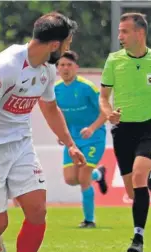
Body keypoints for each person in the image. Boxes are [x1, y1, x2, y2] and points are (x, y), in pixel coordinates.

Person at [0, 12, 81, 252]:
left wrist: (70, 144)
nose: (68, 49)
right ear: (55, 44)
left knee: (37, 211)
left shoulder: (47, 71)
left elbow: (50, 109)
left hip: (21, 145)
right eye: (67, 43)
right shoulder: (6, 65)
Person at [99, 12, 151, 252]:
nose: (120, 36)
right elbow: (103, 97)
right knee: (131, 191)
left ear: (140, 33)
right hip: (123, 129)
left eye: (125, 31)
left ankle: (138, 238)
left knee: (138, 177)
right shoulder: (114, 61)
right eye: (119, 32)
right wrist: (108, 114)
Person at [55, 50, 109, 228]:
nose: (65, 68)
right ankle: (98, 174)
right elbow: (57, 115)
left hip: (94, 137)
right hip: (72, 141)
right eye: (62, 65)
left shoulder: (87, 87)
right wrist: (61, 134)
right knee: (71, 179)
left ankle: (89, 220)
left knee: (84, 177)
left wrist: (92, 128)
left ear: (76, 67)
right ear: (57, 68)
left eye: (69, 65)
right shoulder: (56, 89)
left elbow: (106, 111)